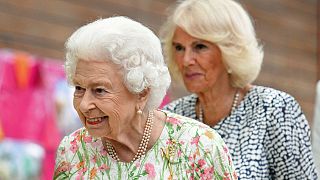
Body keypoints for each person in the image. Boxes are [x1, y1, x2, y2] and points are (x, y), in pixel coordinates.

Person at [53, 16, 237, 179]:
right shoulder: (73, 150)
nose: (84, 105)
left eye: (99, 90)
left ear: (141, 92)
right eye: (79, 88)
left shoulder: (199, 146)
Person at [160, 0, 318, 179]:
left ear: (230, 50)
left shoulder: (275, 109)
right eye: (179, 48)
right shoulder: (171, 118)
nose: (186, 59)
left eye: (199, 46)